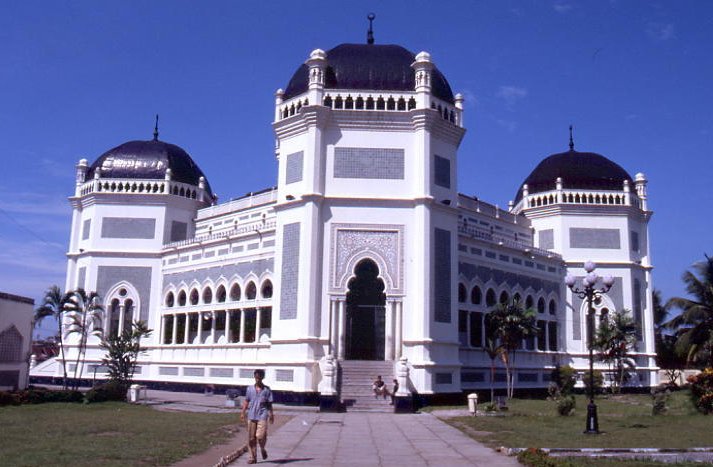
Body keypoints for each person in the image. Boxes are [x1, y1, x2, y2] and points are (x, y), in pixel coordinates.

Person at [241, 369, 275, 464]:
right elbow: (246, 400)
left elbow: (269, 404)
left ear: (262, 378)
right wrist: (243, 412)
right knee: (251, 438)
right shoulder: (249, 389)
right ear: (254, 377)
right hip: (251, 415)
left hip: (262, 415)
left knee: (260, 436)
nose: (257, 379)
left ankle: (263, 448)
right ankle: (252, 457)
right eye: (256, 377)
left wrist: (271, 414)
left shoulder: (267, 390)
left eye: (259, 377)